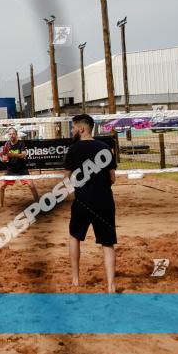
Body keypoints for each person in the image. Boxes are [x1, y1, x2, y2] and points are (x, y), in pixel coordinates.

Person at [64, 113, 117, 293]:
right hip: (104, 201)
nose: (72, 130)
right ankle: (111, 285)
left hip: (83, 202)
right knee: (107, 243)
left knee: (74, 237)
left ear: (82, 128)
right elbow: (113, 178)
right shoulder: (105, 148)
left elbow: (67, 179)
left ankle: (76, 280)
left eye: (73, 127)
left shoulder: (74, 149)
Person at [0, 127, 39, 206]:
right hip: (11, 170)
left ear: (16, 135)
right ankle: (1, 205)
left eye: (13, 134)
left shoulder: (21, 144)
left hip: (22, 170)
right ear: (8, 135)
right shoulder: (7, 144)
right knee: (1, 187)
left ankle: (38, 203)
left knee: (32, 186)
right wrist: (4, 158)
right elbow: (4, 158)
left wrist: (12, 154)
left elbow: (23, 155)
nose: (12, 135)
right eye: (10, 134)